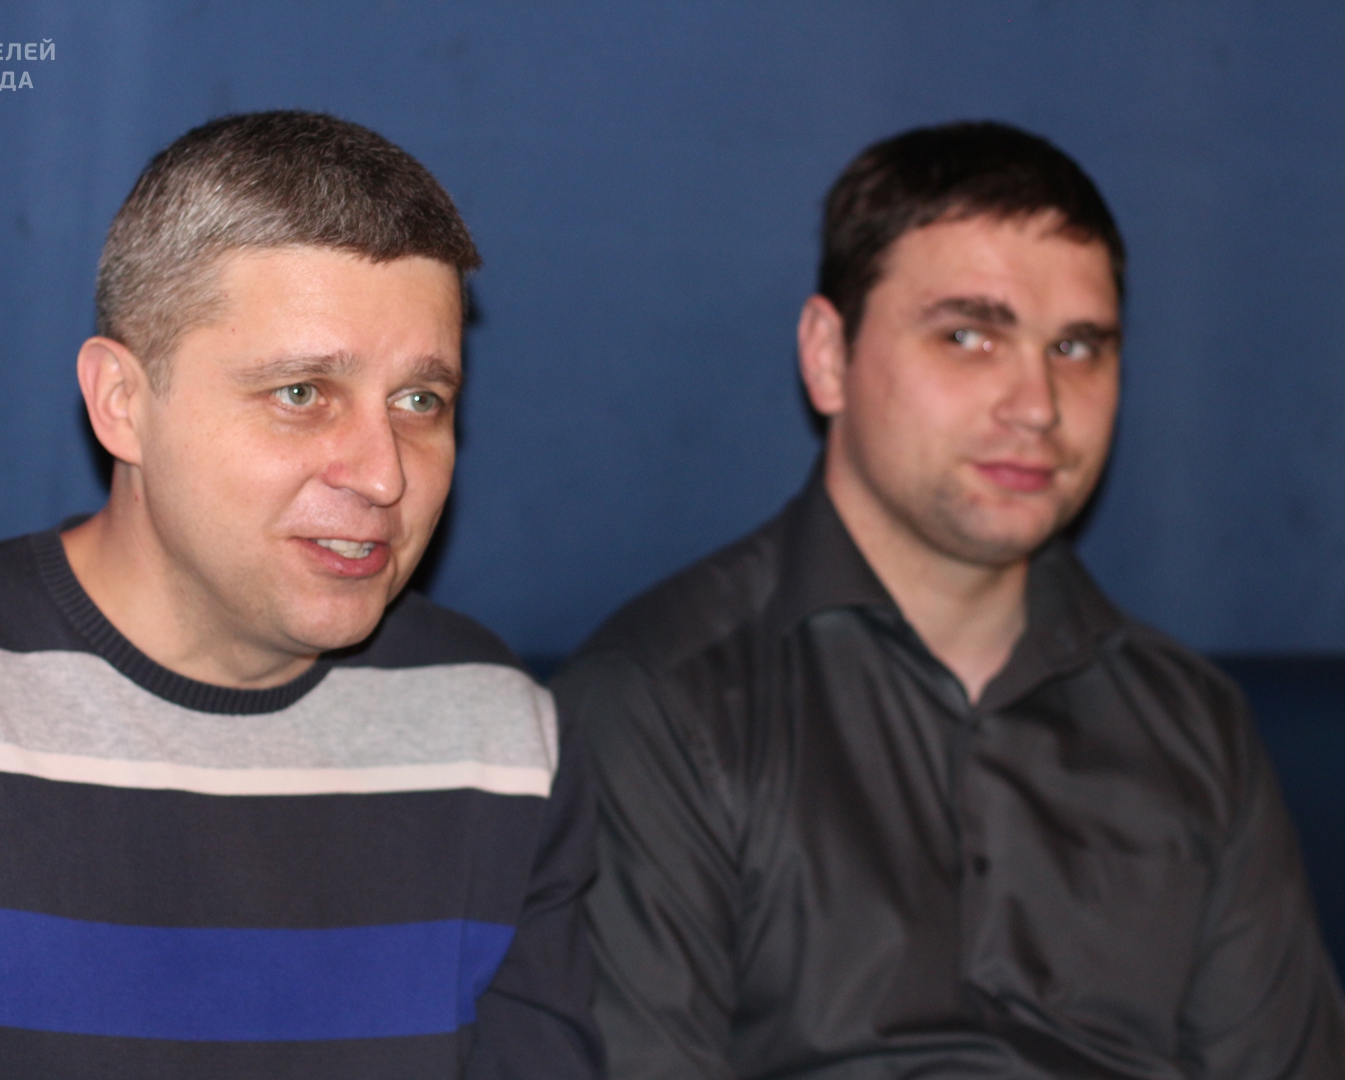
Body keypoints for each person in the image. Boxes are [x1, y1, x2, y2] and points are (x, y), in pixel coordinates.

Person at [0, 111, 599, 1078]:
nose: (383, 473)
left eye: (420, 401)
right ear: (122, 402)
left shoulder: (500, 737)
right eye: (302, 393)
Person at [553, 121, 1345, 1079]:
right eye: (970, 336)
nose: (1038, 404)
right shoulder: (660, 704)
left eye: (1077, 347)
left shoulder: (1194, 727)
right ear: (828, 356)